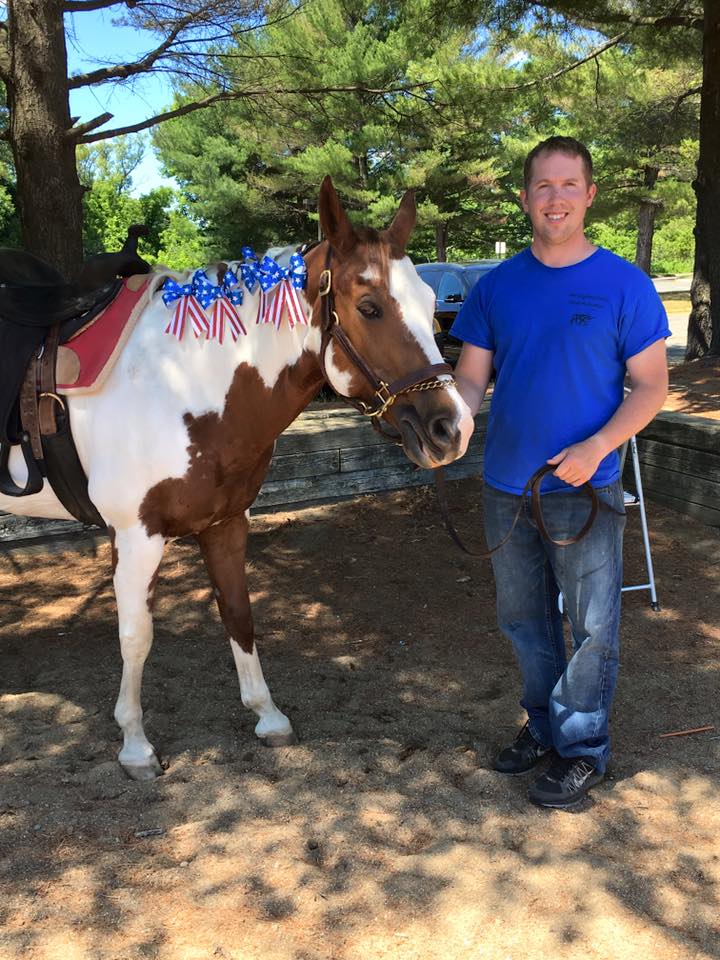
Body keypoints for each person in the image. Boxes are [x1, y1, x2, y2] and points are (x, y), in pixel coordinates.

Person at [451, 136, 670, 809]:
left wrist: (597, 446)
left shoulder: (624, 286)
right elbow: (469, 381)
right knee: (523, 621)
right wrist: (445, 429)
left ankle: (580, 748)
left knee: (592, 624)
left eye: (568, 185)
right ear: (524, 197)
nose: (555, 198)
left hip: (586, 488)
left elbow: (651, 387)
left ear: (590, 195)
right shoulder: (496, 288)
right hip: (506, 489)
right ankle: (543, 726)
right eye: (542, 186)